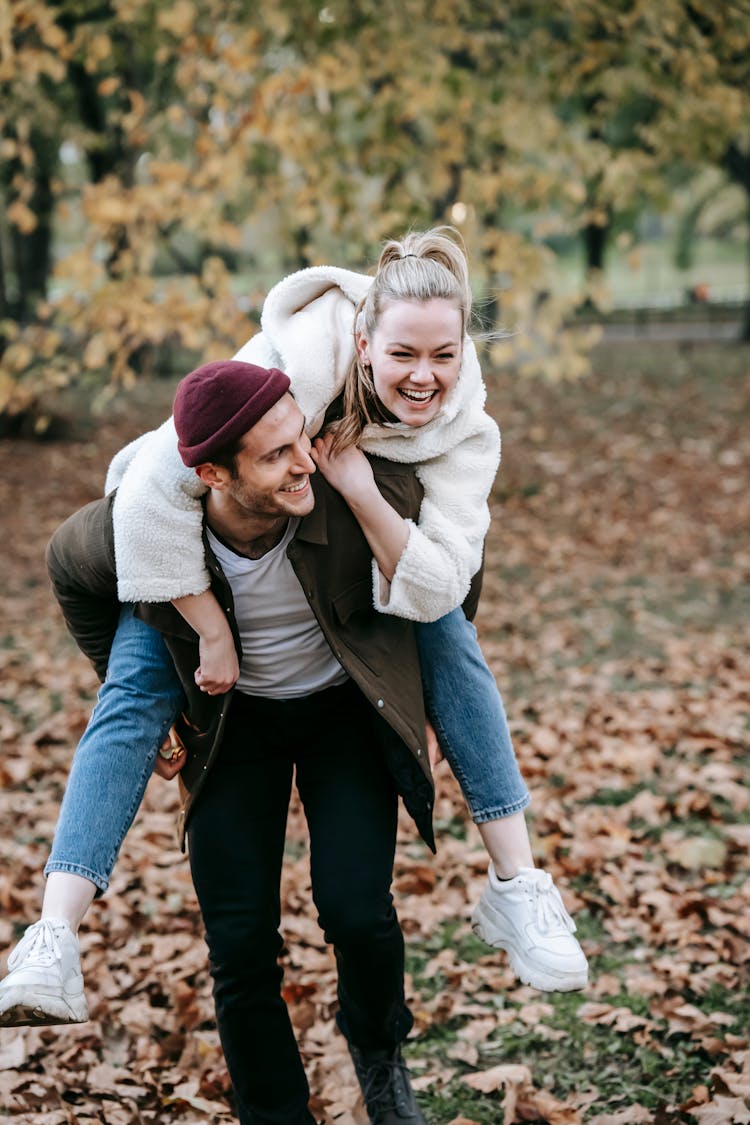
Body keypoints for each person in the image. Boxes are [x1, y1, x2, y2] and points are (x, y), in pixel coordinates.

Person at [0, 229, 585, 1038]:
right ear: (360, 342)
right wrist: (205, 627)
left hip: (350, 604)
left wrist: (357, 486)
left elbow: (446, 582)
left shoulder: (463, 429)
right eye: (402, 353)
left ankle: (518, 883)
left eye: (443, 355)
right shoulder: (296, 367)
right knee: (134, 687)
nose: (425, 377)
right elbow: (142, 496)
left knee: (446, 626)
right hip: (173, 545)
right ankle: (52, 934)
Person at [20, 360, 437, 1124]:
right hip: (234, 729)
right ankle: (273, 1111)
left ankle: (380, 1058)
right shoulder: (145, 535)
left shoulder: (343, 495)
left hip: (341, 714)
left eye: (299, 438)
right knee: (240, 942)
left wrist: (426, 696)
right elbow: (67, 566)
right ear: (212, 473)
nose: (304, 460)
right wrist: (141, 684)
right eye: (276, 455)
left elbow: (446, 570)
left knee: (355, 908)